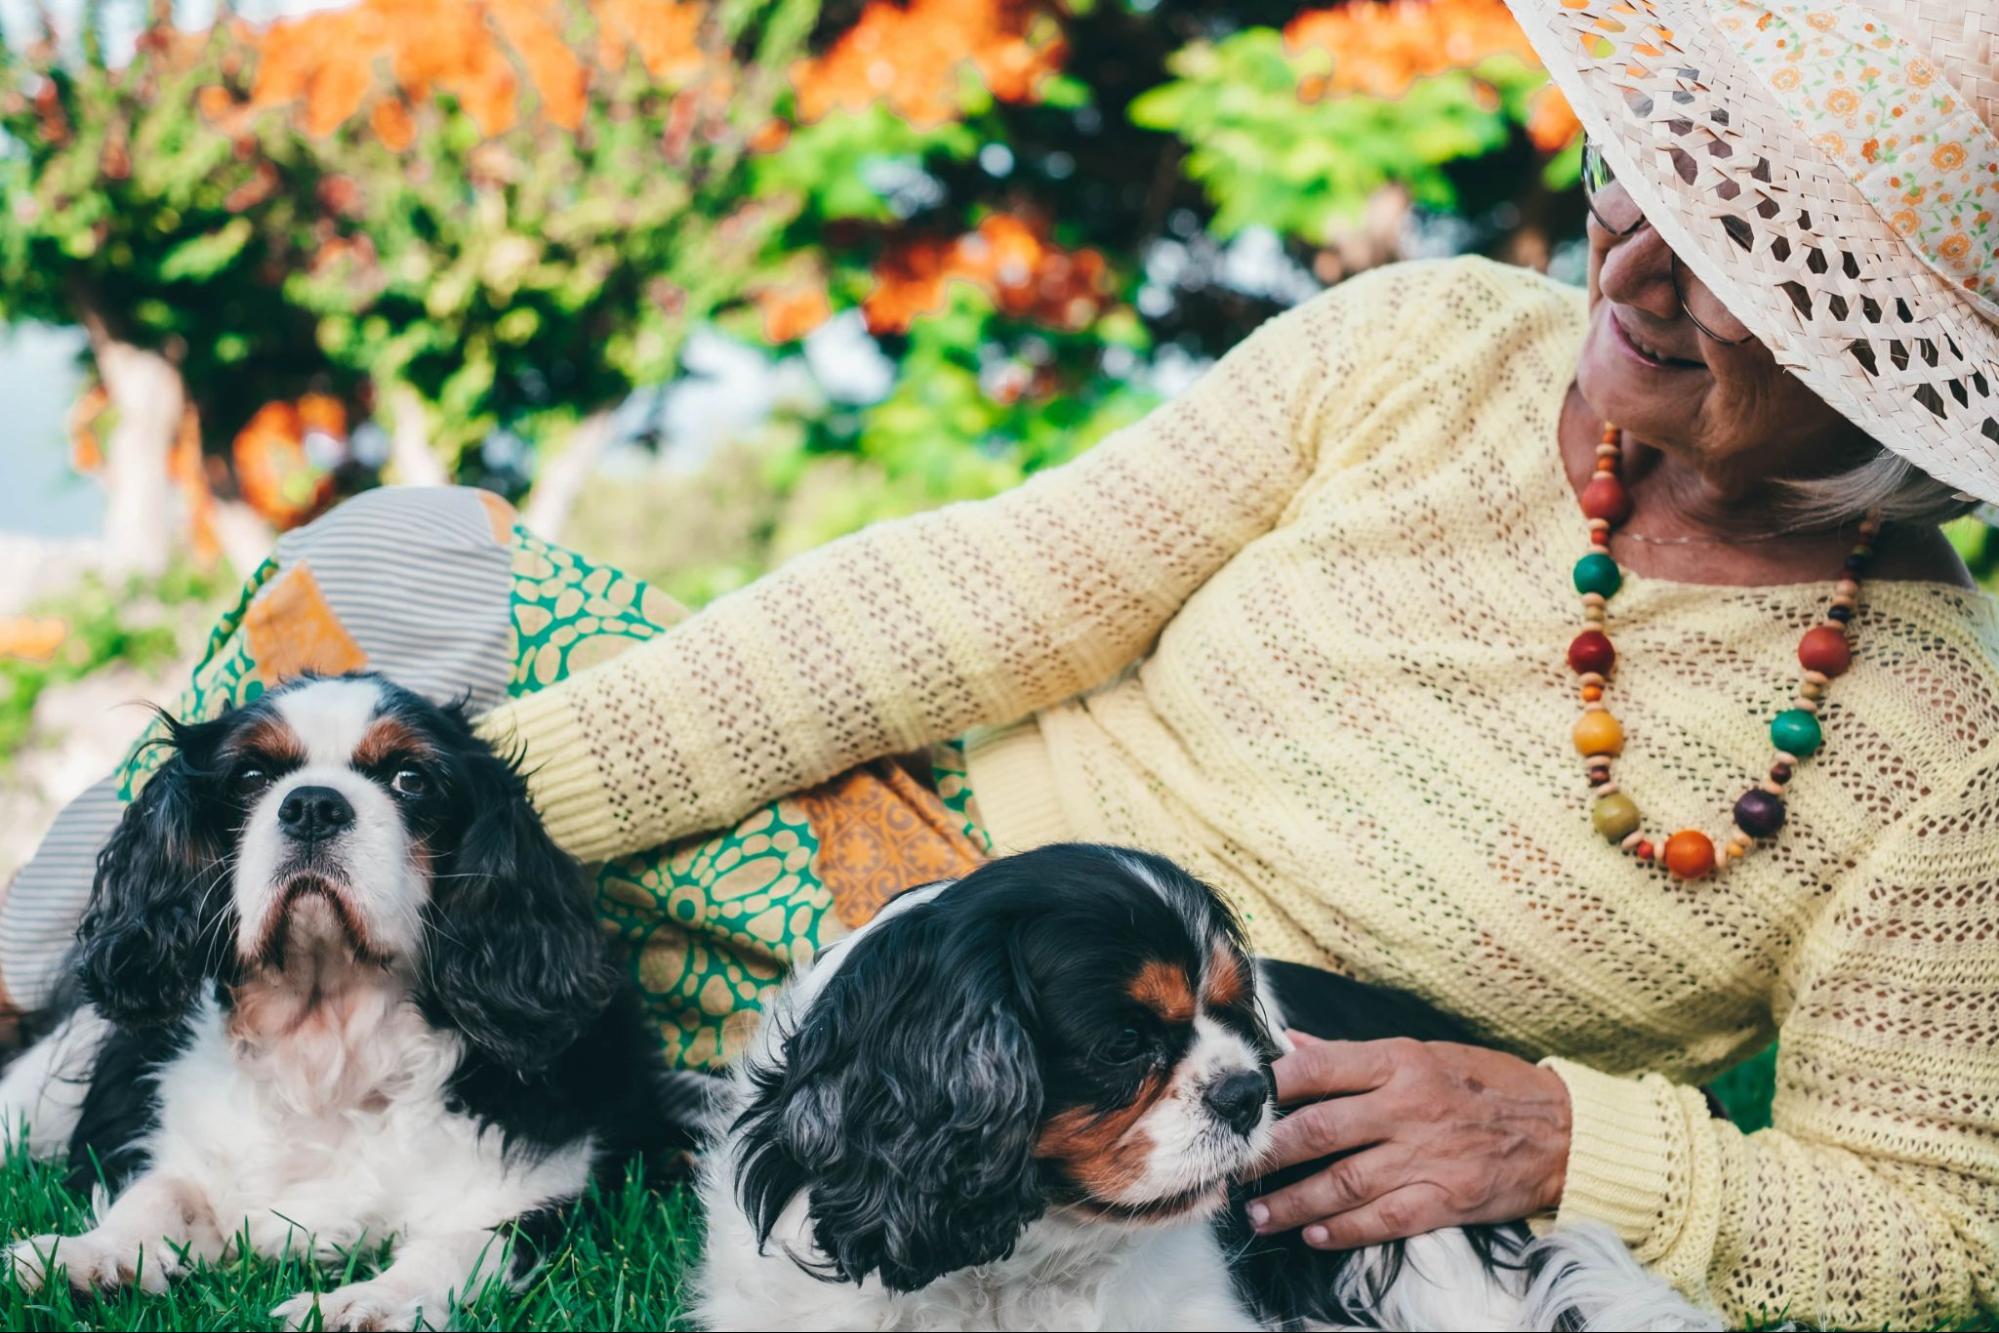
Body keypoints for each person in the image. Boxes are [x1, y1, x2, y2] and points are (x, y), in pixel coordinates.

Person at [3, 0, 1995, 1325]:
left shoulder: (1939, 752)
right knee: (407, 554)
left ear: (1893, 380)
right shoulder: (1419, 351)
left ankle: (181, 1063)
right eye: (1658, 170)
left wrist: (1576, 1134)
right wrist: (474, 832)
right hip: (874, 863)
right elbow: (967, 595)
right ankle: (59, 1008)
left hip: (1150, 1087)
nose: (1636, 254)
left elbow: (1937, 1225)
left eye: (1751, 256)